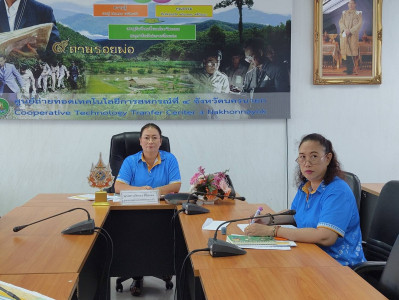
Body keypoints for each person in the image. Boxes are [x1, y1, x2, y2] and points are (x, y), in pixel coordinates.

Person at [245, 133, 366, 267]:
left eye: (314, 156)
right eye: (302, 157)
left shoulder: (337, 192)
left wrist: (273, 231)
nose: (307, 163)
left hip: (338, 267)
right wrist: (269, 219)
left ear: (327, 158)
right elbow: (295, 215)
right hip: (309, 256)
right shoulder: (306, 186)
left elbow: (325, 236)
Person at [114, 123, 181, 296]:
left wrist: (155, 193)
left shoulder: (170, 159)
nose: (150, 141)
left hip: (163, 214)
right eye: (146, 138)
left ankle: (160, 264)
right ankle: (136, 271)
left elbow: (176, 185)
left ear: (160, 142)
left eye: (154, 138)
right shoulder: (130, 161)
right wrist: (142, 191)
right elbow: (118, 186)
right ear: (140, 142)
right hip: (132, 215)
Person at [339, 0, 362, 75]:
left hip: (353, 36)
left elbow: (359, 24)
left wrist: (351, 31)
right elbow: (341, 22)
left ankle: (350, 70)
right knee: (346, 52)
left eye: (352, 3)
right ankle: (348, 68)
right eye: (349, 3)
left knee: (351, 52)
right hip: (345, 35)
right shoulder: (344, 13)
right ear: (348, 4)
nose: (351, 5)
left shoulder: (358, 13)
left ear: (355, 4)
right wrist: (345, 29)